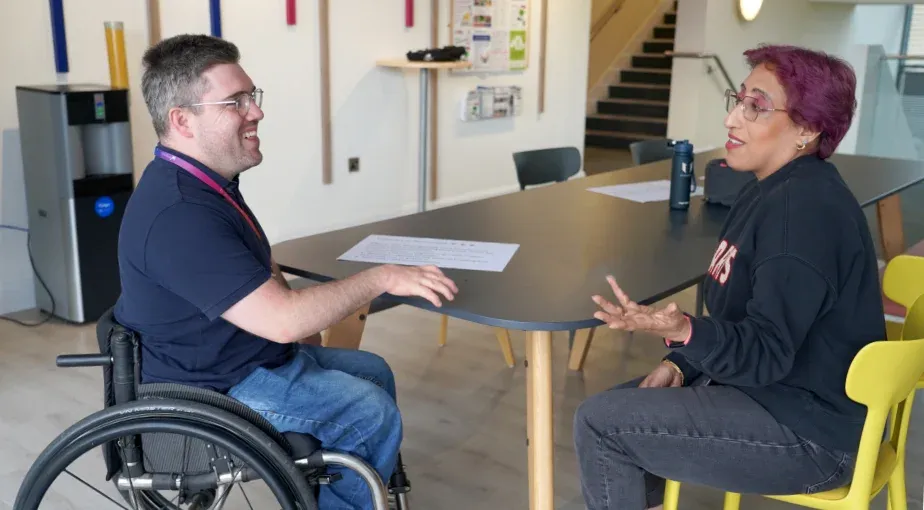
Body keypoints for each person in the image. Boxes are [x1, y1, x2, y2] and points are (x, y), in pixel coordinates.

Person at [114, 34, 458, 510]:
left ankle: (330, 491)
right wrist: (380, 278)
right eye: (235, 102)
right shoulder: (180, 214)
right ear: (182, 120)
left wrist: (301, 329)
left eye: (252, 96)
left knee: (374, 373)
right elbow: (282, 321)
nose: (256, 111)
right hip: (215, 390)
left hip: (240, 360)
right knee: (368, 412)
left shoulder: (206, 185)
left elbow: (261, 265)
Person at [573, 44, 886, 510]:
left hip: (813, 435)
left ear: (807, 128)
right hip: (775, 394)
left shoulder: (800, 214)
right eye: (738, 100)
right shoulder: (768, 191)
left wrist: (685, 330)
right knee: (617, 411)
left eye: (756, 106)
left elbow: (766, 352)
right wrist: (681, 363)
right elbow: (740, 319)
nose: (732, 119)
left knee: (603, 425)